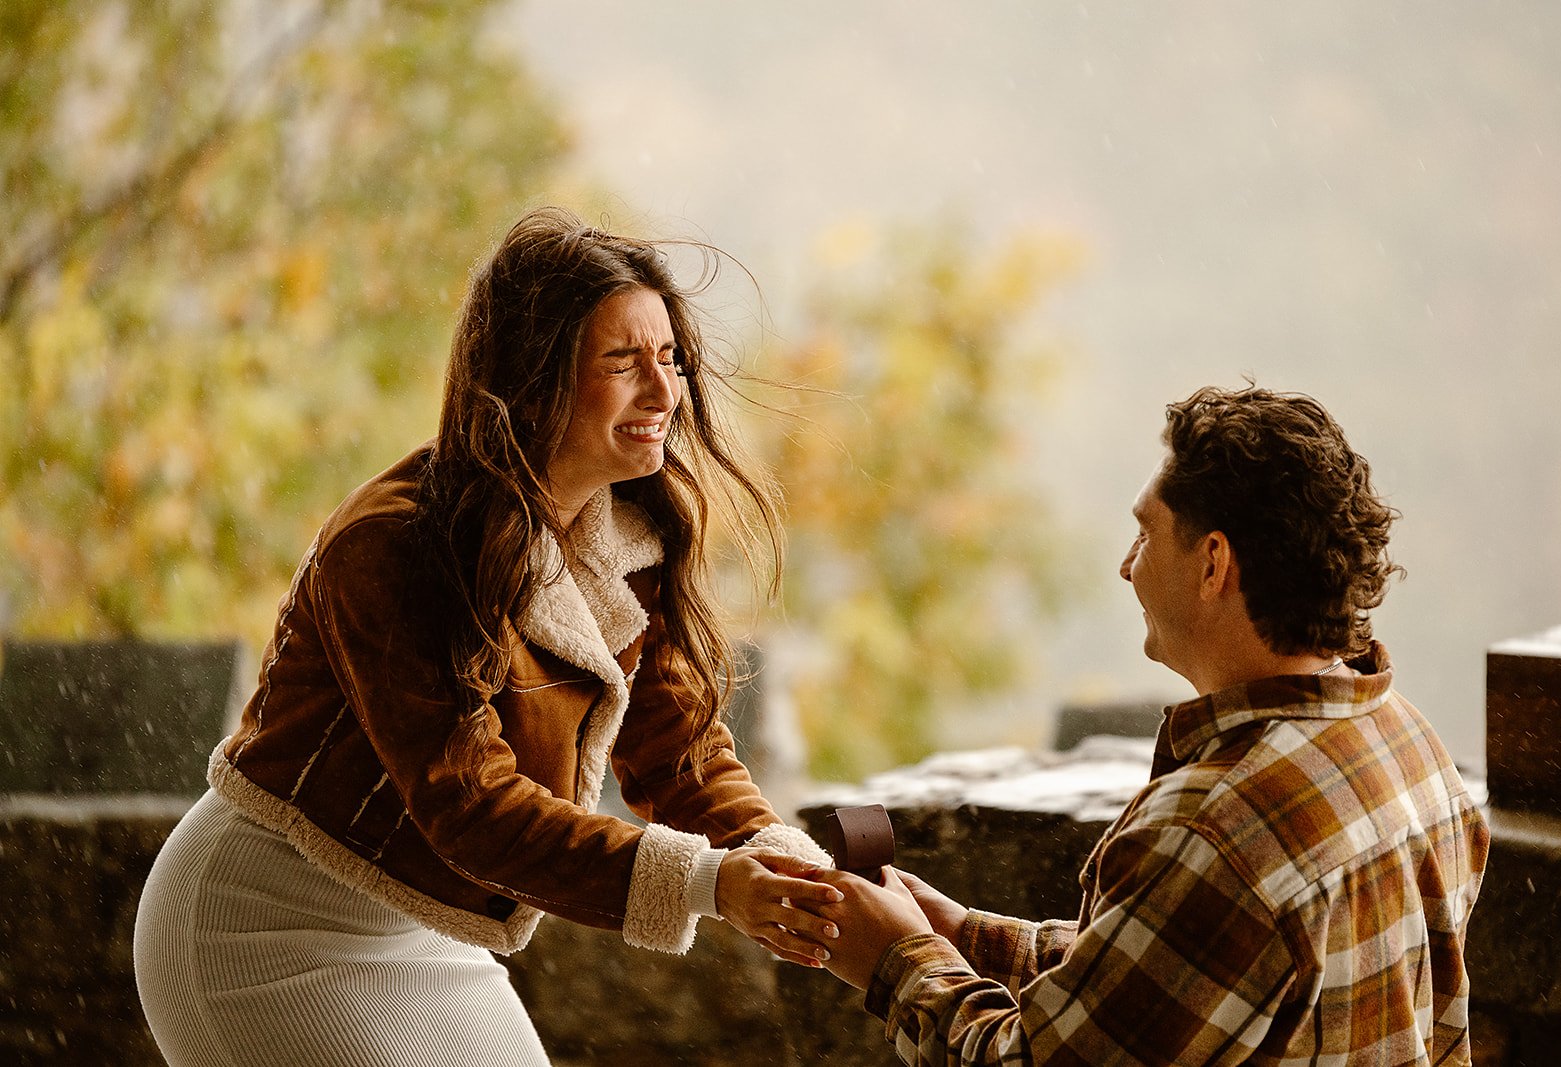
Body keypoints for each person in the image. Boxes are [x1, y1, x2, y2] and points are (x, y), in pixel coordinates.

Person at [133, 207, 841, 1067]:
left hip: (428, 927)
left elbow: (676, 750)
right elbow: (468, 802)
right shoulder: (394, 545)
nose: (664, 394)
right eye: (623, 363)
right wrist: (709, 884)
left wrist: (779, 859)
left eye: (671, 359)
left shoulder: (629, 536)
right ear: (534, 377)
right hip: (263, 925)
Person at [806, 385, 1490, 1065]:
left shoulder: (1214, 828)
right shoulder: (1406, 741)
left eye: (1146, 532)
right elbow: (1180, 969)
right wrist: (955, 930)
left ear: (1213, 562)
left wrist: (894, 960)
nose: (1127, 565)